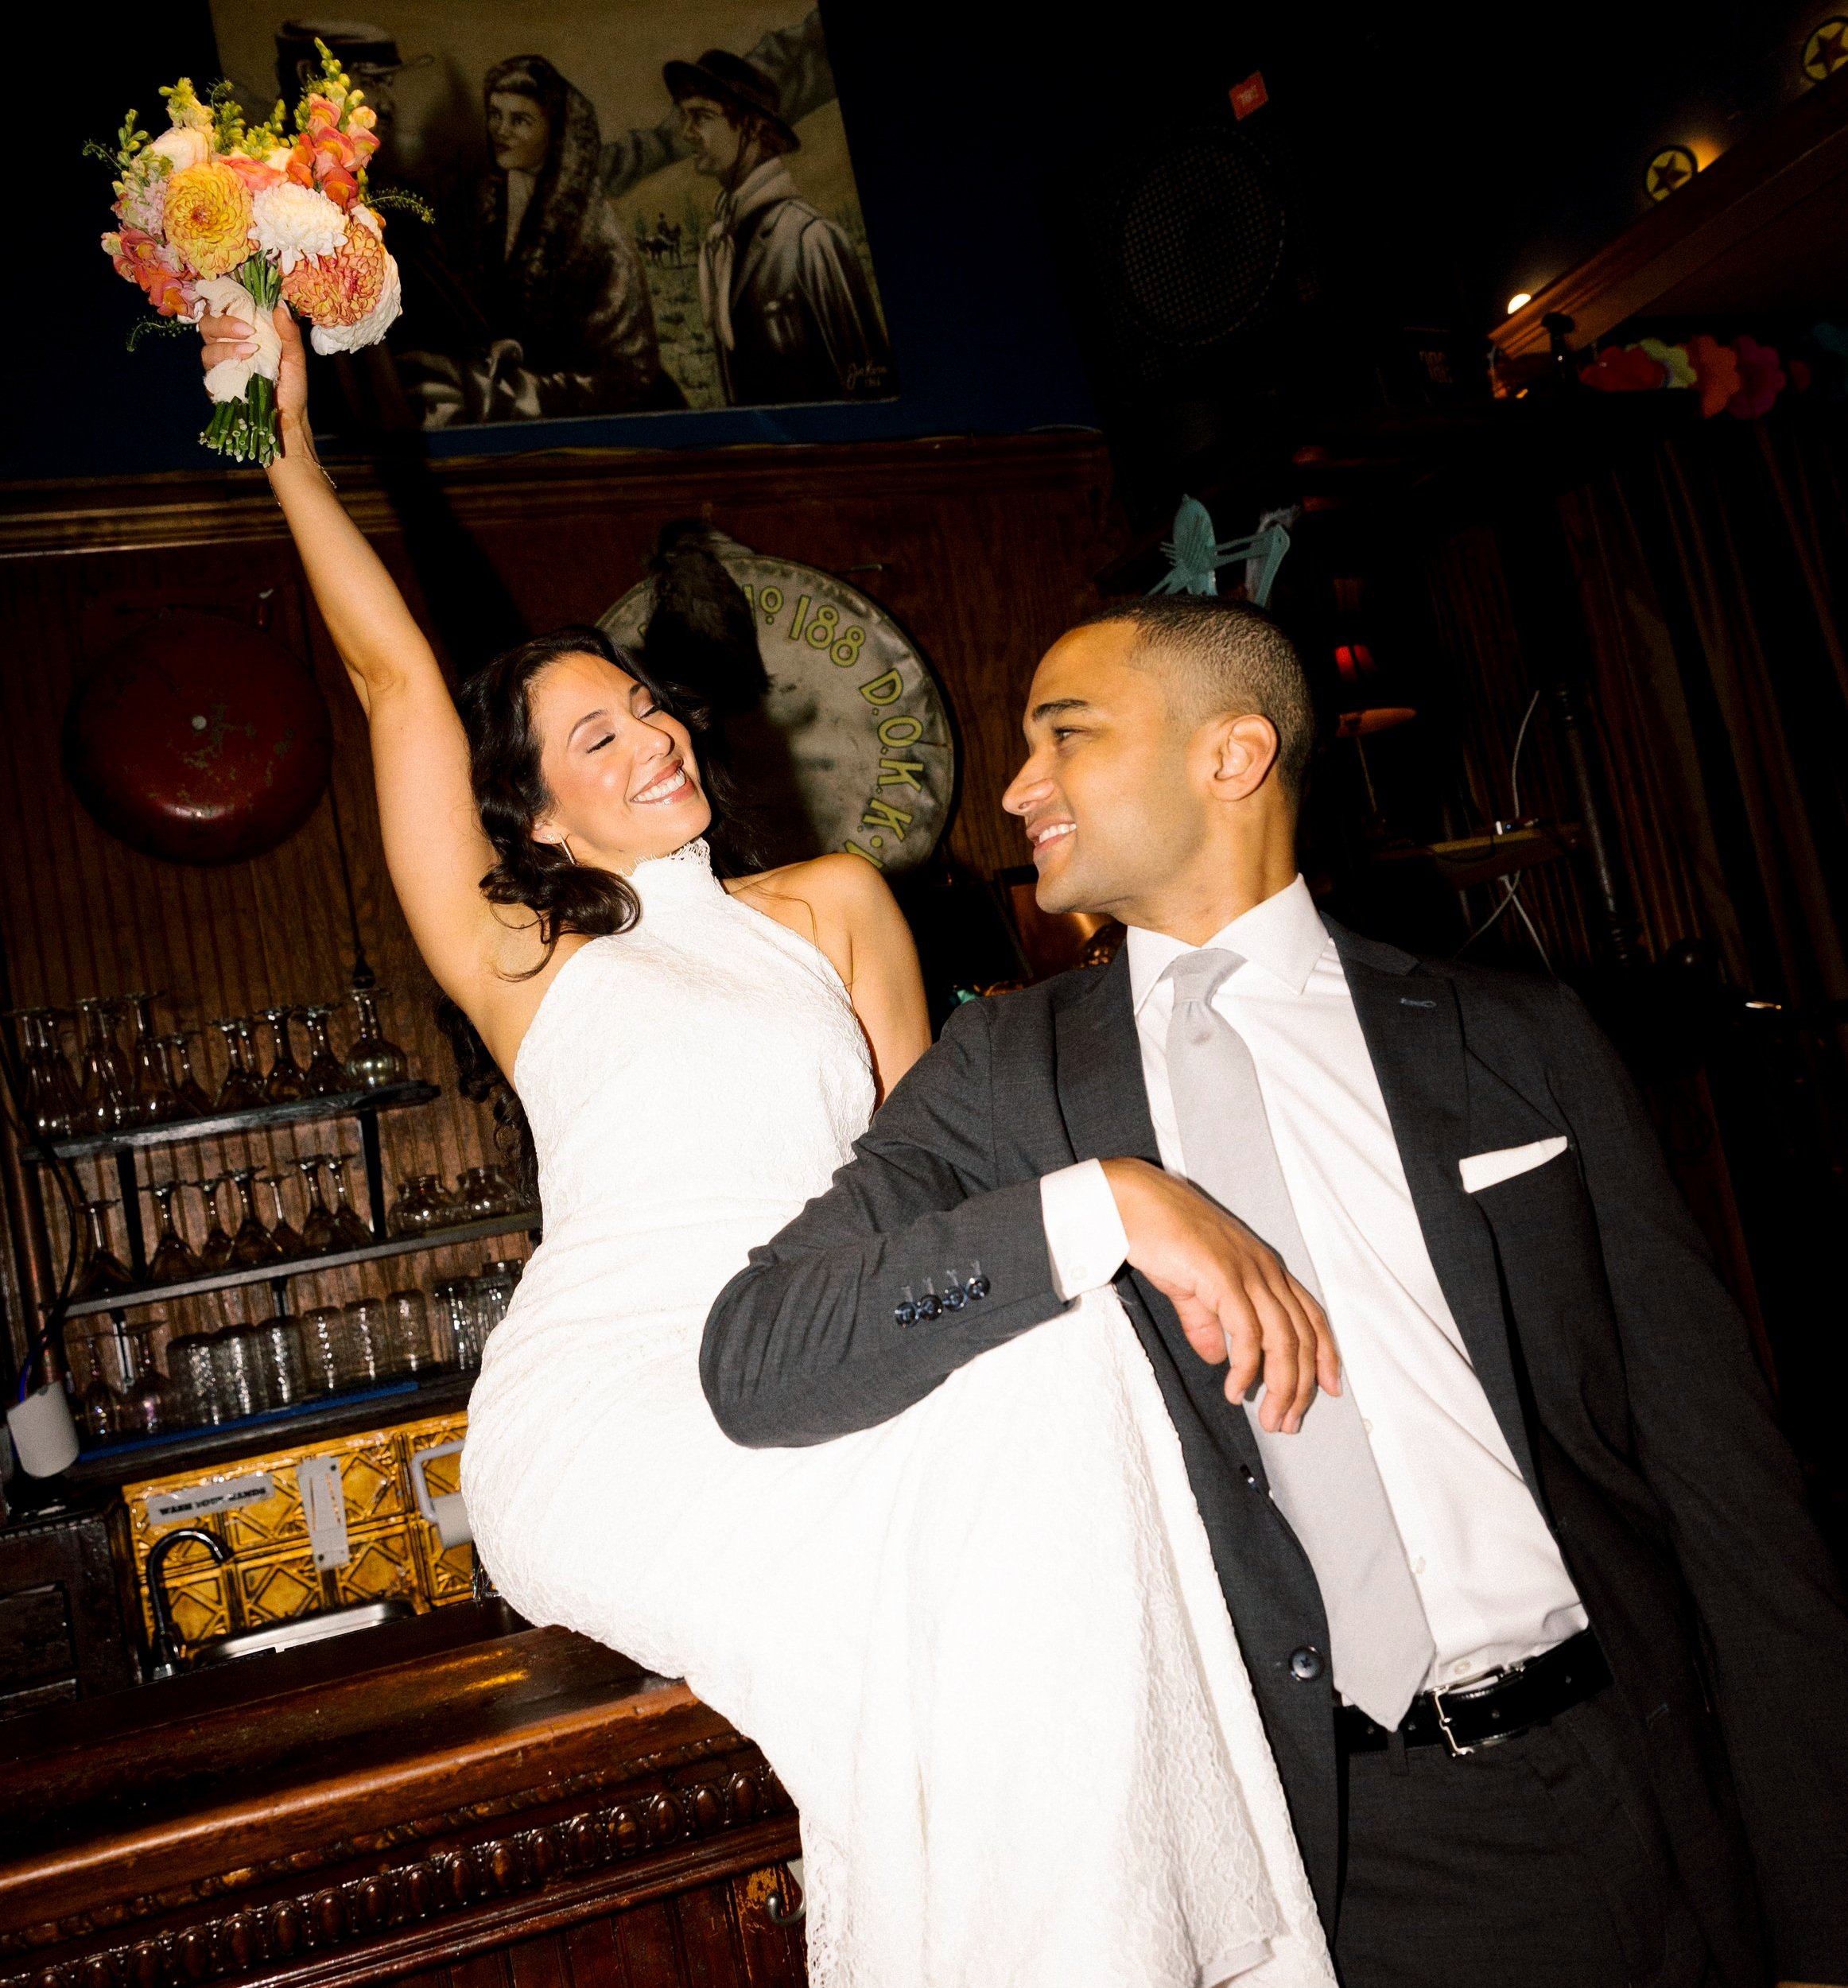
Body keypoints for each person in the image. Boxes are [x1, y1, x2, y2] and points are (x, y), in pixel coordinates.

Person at [195, 307, 1340, 1985]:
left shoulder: (832, 904)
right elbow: (393, 682)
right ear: (535, 817)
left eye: (646, 706)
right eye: (596, 739)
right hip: (618, 1399)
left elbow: (933, 1174)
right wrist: (285, 442)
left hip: (820, 1338)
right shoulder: (526, 954)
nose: (652, 736)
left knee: (1063, 1364)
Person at [702, 594, 1848, 1988]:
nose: (1016, 788)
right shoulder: (1010, 1079)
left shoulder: (1515, 1033)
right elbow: (760, 1357)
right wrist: (1099, 1206)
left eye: (1066, 737)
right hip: (1328, 1858)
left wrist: (1821, 1916)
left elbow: (1728, 1483)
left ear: (1232, 755)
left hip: (1627, 1796)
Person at [407, 56, 684, 424]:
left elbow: (629, 374)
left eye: (520, 120)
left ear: (556, 131)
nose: (501, 130)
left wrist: (525, 389)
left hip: (589, 419)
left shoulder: (598, 234)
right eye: (495, 115)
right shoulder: (483, 203)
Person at [665, 49, 895, 406]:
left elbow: (873, 390)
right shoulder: (722, 240)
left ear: (752, 127)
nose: (687, 133)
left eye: (702, 117)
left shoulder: (810, 238)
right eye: (684, 117)